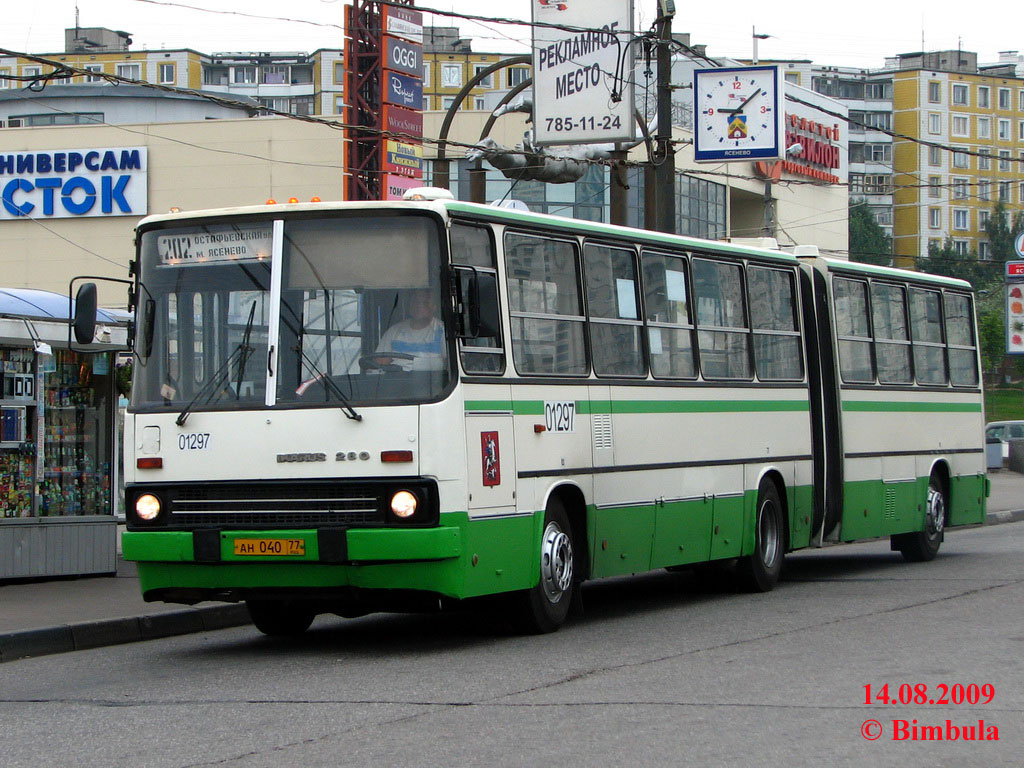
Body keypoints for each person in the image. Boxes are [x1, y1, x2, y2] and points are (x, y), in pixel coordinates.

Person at [373, 289, 446, 371]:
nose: (419, 306)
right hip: (397, 380)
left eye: (425, 303)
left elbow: (450, 366)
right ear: (410, 305)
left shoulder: (444, 332)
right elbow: (380, 362)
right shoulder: (394, 331)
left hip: (432, 381)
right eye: (415, 301)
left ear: (434, 307)